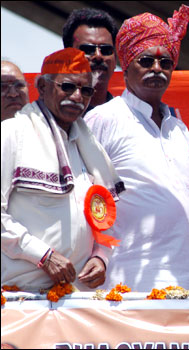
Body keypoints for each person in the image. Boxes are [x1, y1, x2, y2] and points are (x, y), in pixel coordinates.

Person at [84, 6, 189, 292]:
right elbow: (82, 198)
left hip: (183, 279)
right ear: (125, 64)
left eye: (166, 63)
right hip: (125, 281)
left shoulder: (179, 128)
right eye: (146, 60)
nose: (157, 69)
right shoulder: (104, 118)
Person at [1, 48, 123, 292]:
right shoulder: (11, 133)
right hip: (23, 295)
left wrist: (101, 257)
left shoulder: (88, 146)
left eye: (86, 90)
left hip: (77, 296)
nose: (77, 96)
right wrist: (42, 255)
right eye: (67, 87)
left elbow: (102, 217)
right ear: (43, 88)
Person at [63, 8, 118, 110]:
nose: (98, 56)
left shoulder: (128, 118)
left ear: (115, 59)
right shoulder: (48, 117)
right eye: (88, 49)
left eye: (106, 50)